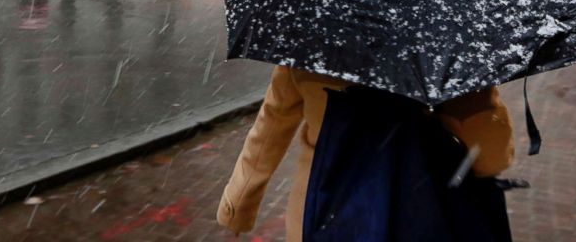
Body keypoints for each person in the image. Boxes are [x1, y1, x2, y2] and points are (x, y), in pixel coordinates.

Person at [217, 65, 514, 241]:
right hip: (416, 211)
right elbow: (490, 157)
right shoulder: (445, 51)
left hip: (321, 211)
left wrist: (237, 205)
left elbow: (271, 126)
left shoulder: (312, 40)